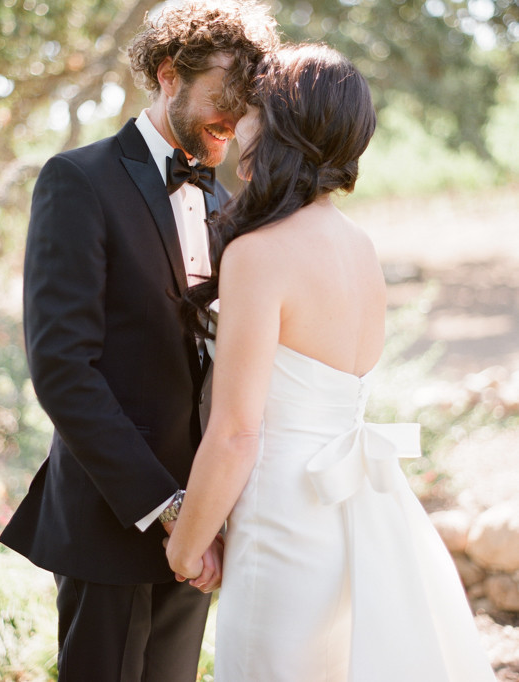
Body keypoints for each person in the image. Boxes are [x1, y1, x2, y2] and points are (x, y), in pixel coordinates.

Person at [165, 43, 497, 681]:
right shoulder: (359, 247)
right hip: (354, 512)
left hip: (280, 521)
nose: (238, 128)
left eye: (252, 112)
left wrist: (186, 544)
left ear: (279, 126)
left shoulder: (261, 254)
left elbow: (236, 433)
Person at [0, 0, 279, 682]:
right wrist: (166, 506)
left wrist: (205, 508)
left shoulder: (224, 198)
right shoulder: (77, 179)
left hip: (201, 523)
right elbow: (62, 367)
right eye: (223, 93)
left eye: (248, 101)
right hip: (114, 513)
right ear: (168, 76)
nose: (235, 116)